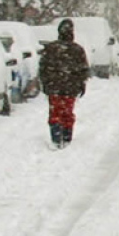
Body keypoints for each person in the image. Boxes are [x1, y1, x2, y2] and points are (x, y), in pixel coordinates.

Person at [40, 19, 91, 148]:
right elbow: (83, 70)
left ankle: (56, 137)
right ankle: (67, 136)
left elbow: (43, 67)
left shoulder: (51, 48)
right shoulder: (77, 49)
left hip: (54, 87)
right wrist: (81, 83)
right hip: (70, 88)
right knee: (67, 112)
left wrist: (46, 83)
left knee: (55, 112)